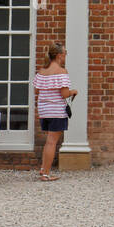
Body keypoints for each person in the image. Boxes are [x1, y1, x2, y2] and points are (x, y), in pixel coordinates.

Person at [33, 42, 77, 182]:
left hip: (44, 110)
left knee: (48, 141)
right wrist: (73, 92)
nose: (65, 57)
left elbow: (37, 91)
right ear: (59, 56)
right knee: (52, 142)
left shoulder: (41, 71)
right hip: (56, 111)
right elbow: (64, 94)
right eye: (65, 54)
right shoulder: (62, 72)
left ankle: (43, 168)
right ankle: (46, 173)